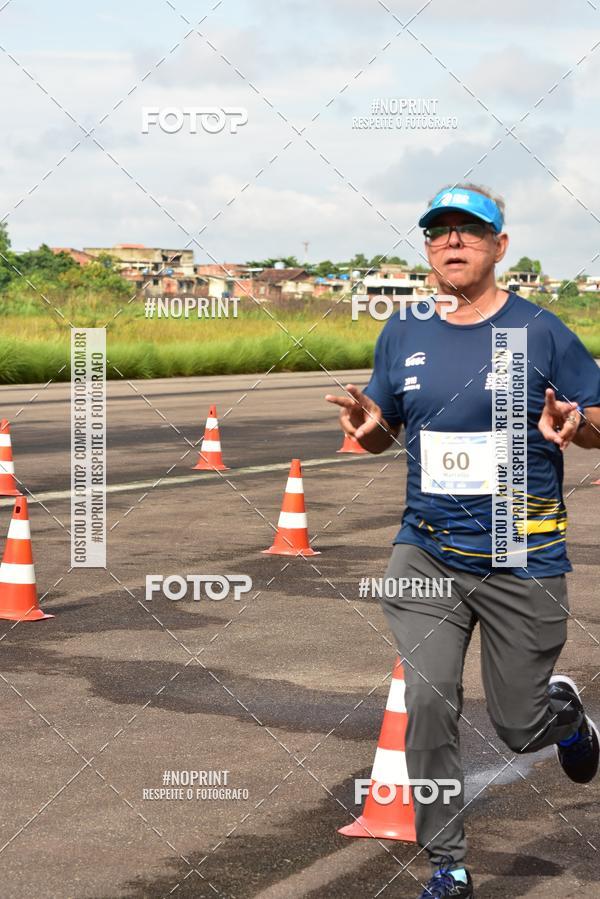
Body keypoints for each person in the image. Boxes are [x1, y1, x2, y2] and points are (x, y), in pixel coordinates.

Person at [326, 183, 600, 898]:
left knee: (518, 725)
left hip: (520, 551)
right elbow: (383, 427)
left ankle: (565, 718)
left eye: (469, 230)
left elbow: (598, 419)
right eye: (438, 231)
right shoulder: (404, 329)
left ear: (499, 245)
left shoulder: (541, 331)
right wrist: (367, 428)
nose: (452, 241)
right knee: (426, 702)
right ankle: (447, 864)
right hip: (426, 549)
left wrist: (579, 425)